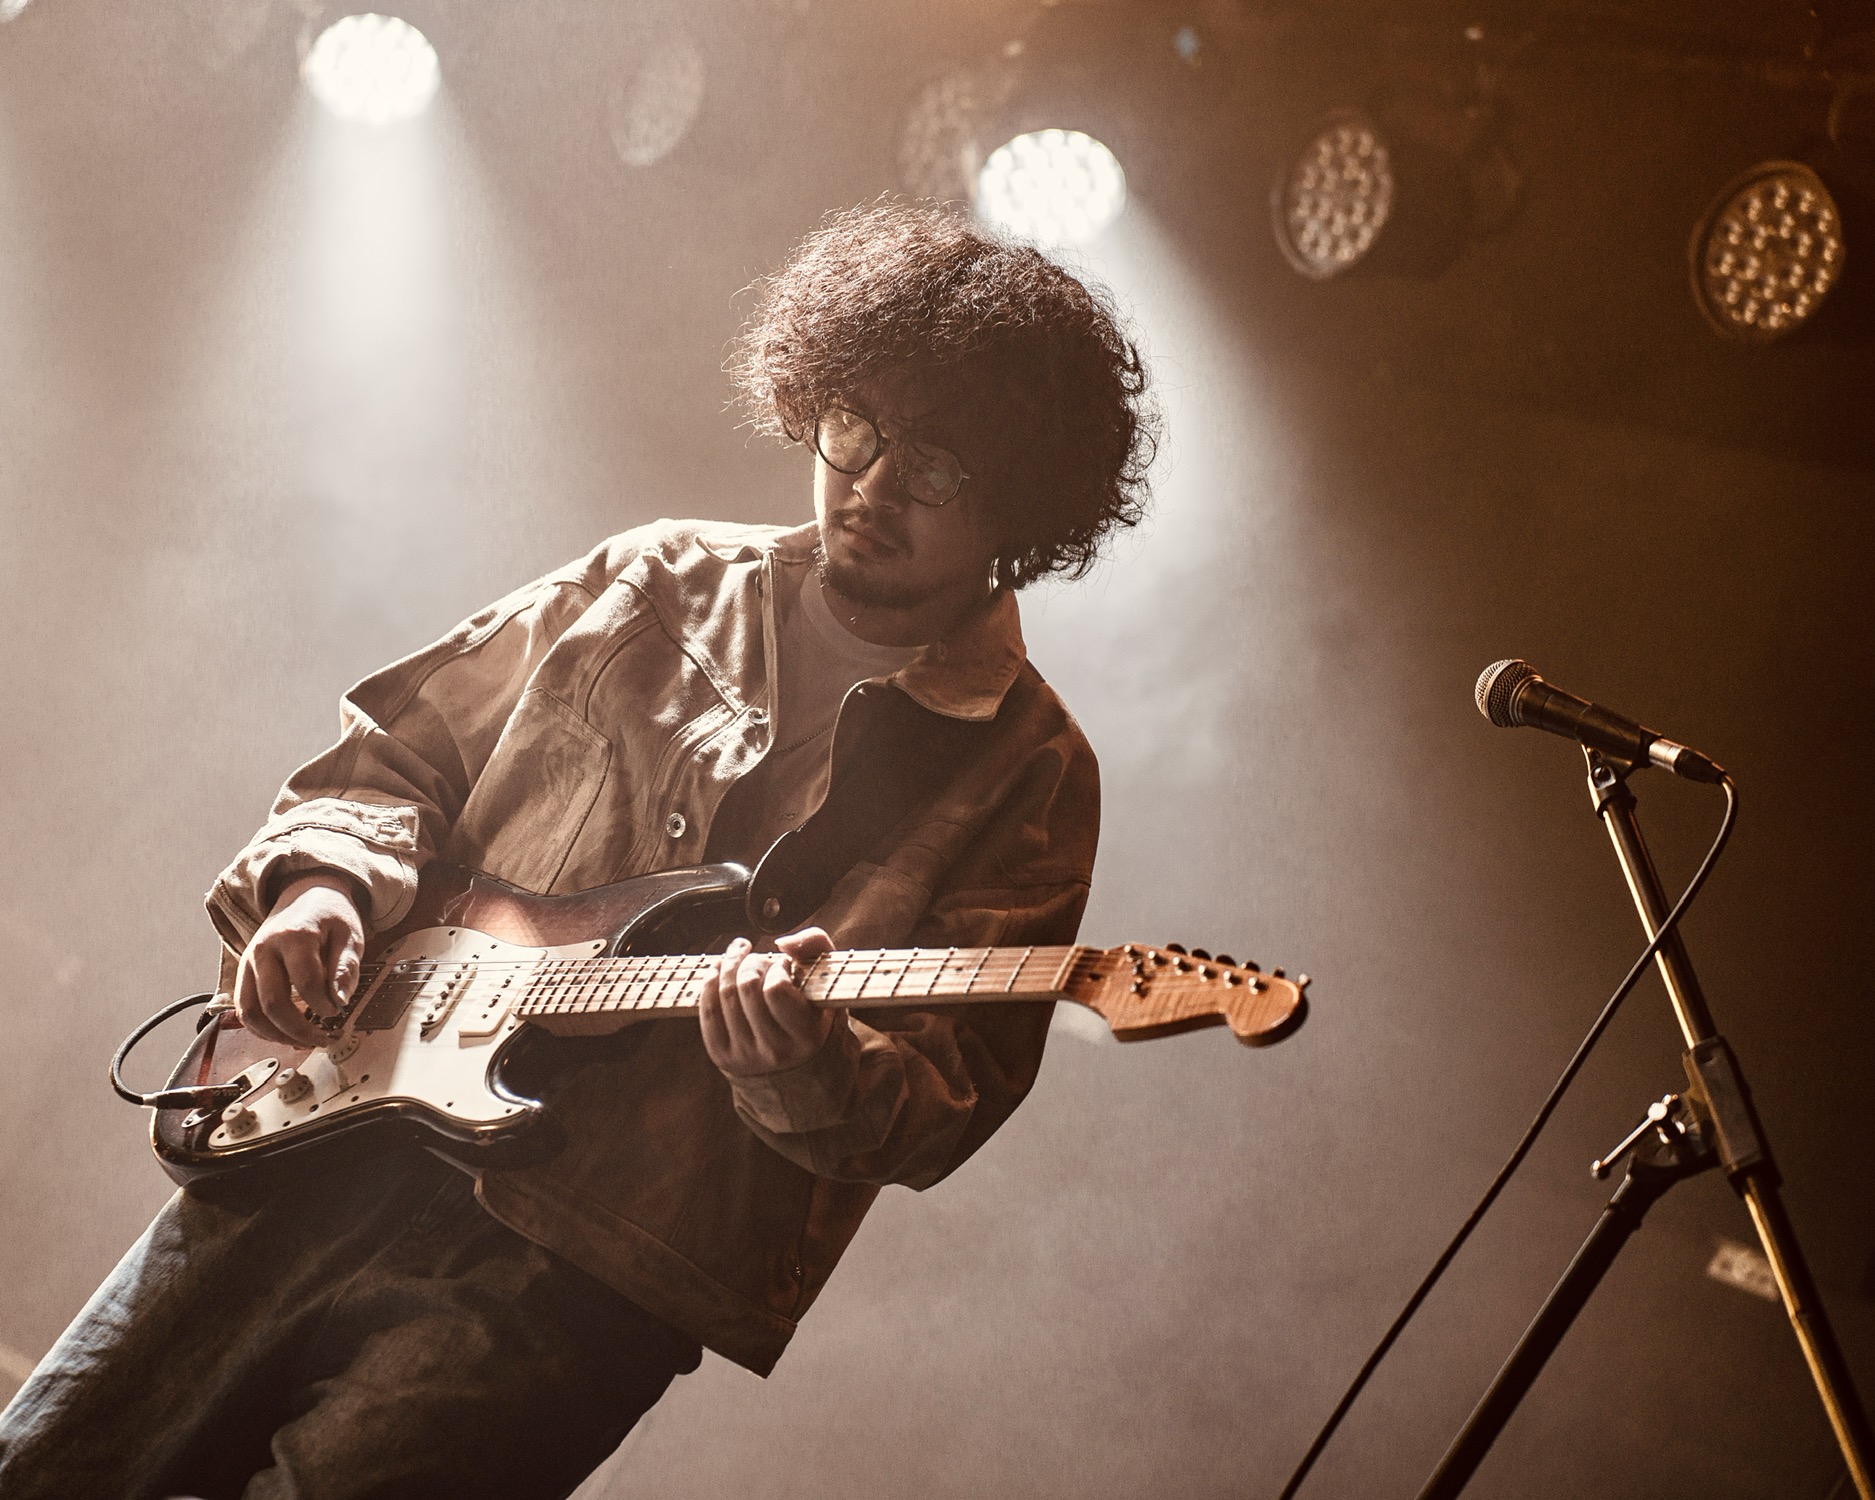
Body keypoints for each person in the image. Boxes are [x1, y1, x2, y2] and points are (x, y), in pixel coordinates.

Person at [0, 200, 1157, 1499]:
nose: (872, 486)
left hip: (580, 1290)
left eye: (935, 467)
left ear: (1024, 502)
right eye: (855, 428)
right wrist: (321, 893)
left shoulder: (1030, 773)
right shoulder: (654, 580)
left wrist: (805, 1064)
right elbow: (397, 756)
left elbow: (943, 1103)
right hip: (323, 1145)